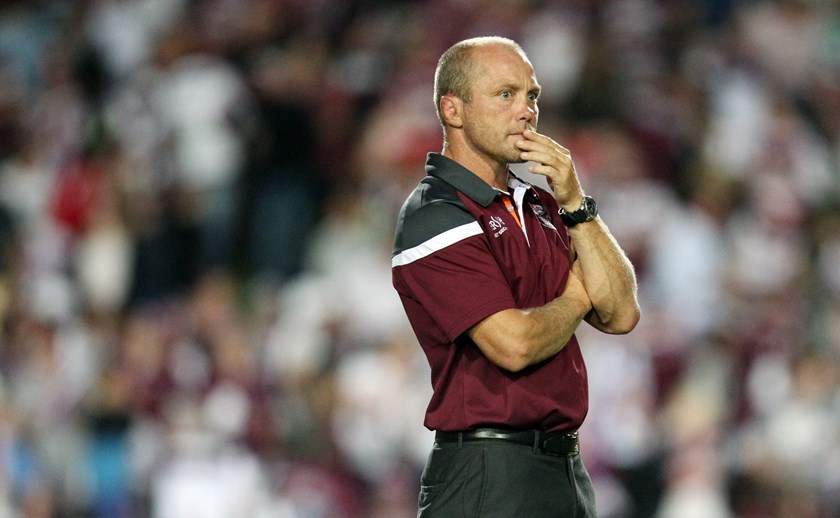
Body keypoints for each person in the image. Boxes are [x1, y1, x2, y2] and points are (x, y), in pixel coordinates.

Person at [391, 36, 641, 517]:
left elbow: (622, 312)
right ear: (454, 110)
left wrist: (575, 203)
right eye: (506, 94)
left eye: (532, 96)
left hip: (565, 468)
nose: (526, 111)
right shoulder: (435, 213)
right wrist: (574, 298)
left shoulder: (544, 206)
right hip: (487, 471)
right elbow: (514, 345)